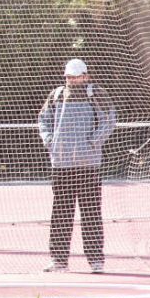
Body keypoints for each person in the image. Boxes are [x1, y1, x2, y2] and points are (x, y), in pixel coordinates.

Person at [38, 58, 116, 273]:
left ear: (86, 75)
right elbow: (43, 119)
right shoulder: (56, 95)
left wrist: (93, 141)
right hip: (61, 164)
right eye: (68, 76)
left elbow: (109, 119)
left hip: (88, 164)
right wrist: (49, 140)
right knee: (61, 213)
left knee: (91, 212)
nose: (71, 80)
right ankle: (58, 260)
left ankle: (95, 260)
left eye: (75, 76)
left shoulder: (96, 93)